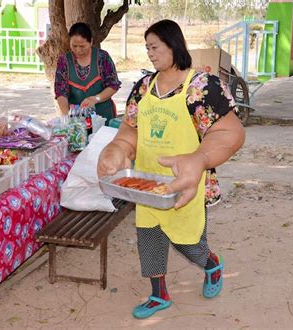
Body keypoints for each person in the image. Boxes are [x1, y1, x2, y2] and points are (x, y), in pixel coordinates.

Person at [97, 19, 245, 319]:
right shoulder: (143, 88)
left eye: (155, 46)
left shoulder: (202, 86)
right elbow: (129, 131)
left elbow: (232, 133)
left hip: (185, 184)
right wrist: (117, 149)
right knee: (149, 240)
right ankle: (159, 294)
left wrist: (200, 159)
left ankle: (212, 264)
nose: (150, 53)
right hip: (148, 184)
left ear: (173, 44)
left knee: (189, 244)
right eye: (147, 48)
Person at [54, 22, 121, 125]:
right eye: (74, 46)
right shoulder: (64, 61)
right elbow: (60, 92)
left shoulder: (102, 57)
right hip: (77, 118)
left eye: (82, 46)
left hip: (103, 115)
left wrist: (96, 98)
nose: (78, 50)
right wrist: (67, 116)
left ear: (91, 42)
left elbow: (113, 85)